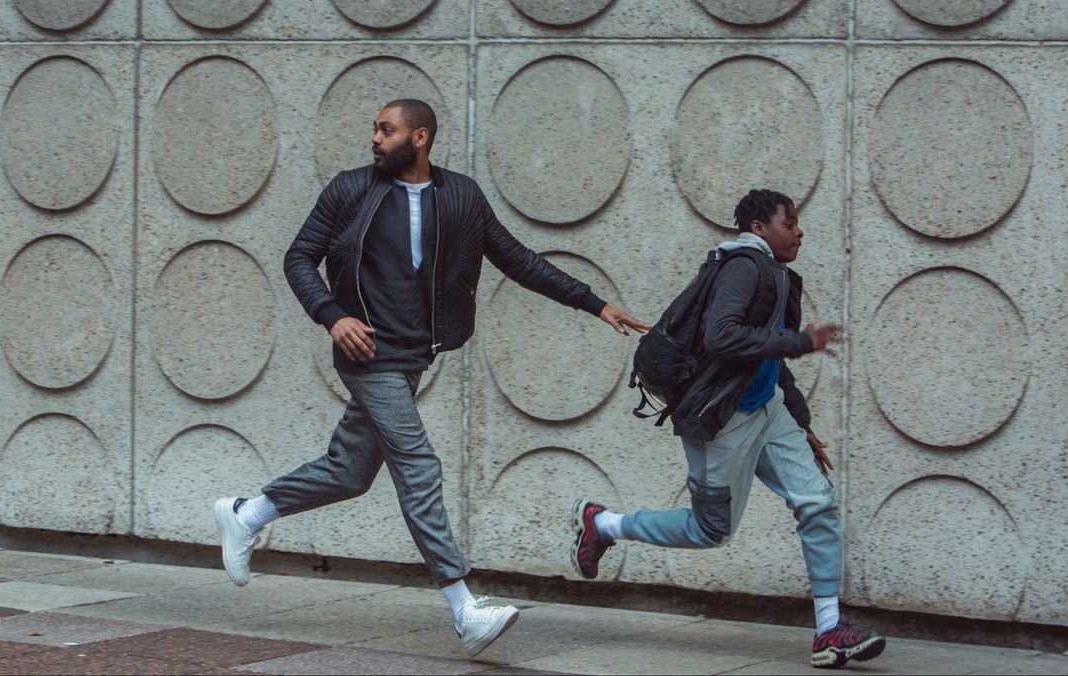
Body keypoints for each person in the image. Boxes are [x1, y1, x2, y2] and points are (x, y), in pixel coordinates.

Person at [214, 98, 650, 657]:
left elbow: (517, 259)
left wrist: (593, 303)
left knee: (349, 472)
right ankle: (464, 606)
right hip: (368, 354)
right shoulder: (350, 190)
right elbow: (299, 257)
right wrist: (333, 315)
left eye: (386, 129)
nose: (374, 137)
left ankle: (246, 513)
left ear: (419, 138)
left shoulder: (460, 196)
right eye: (373, 128)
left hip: (413, 356)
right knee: (419, 466)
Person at [571, 189, 886, 669]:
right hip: (724, 419)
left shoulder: (779, 276)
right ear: (759, 228)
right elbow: (722, 335)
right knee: (709, 529)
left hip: (769, 410)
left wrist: (801, 425)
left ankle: (829, 632)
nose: (799, 230)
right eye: (790, 222)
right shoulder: (743, 266)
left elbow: (772, 361)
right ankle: (603, 523)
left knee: (818, 501)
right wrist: (802, 341)